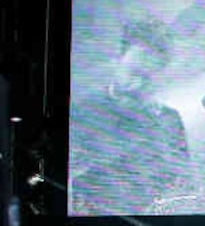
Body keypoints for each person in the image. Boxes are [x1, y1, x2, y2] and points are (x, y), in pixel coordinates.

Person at [70, 17, 193, 215]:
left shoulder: (169, 120)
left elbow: (181, 183)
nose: (136, 85)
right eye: (133, 72)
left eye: (147, 78)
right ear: (117, 59)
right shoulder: (80, 113)